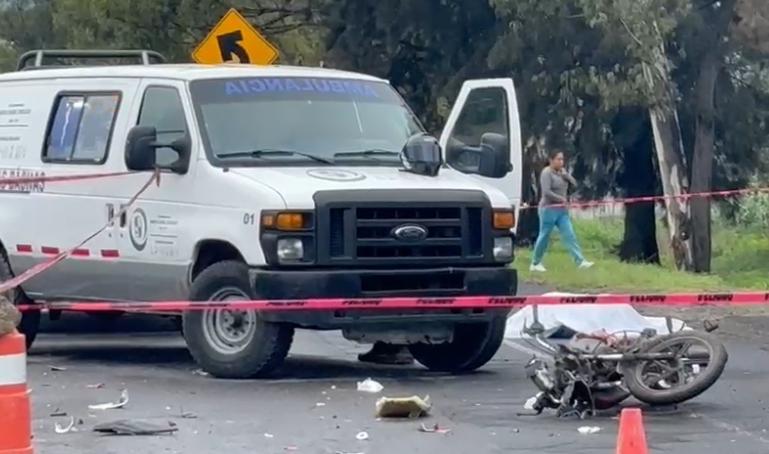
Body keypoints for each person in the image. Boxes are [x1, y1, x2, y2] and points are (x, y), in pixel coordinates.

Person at [530, 149, 593, 272]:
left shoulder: (562, 173)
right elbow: (546, 192)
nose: (561, 162)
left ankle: (580, 261)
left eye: (562, 159)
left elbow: (574, 184)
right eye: (558, 159)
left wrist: (566, 176)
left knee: (570, 235)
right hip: (548, 209)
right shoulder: (546, 173)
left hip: (562, 211)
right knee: (544, 236)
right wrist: (561, 199)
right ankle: (535, 263)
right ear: (551, 160)